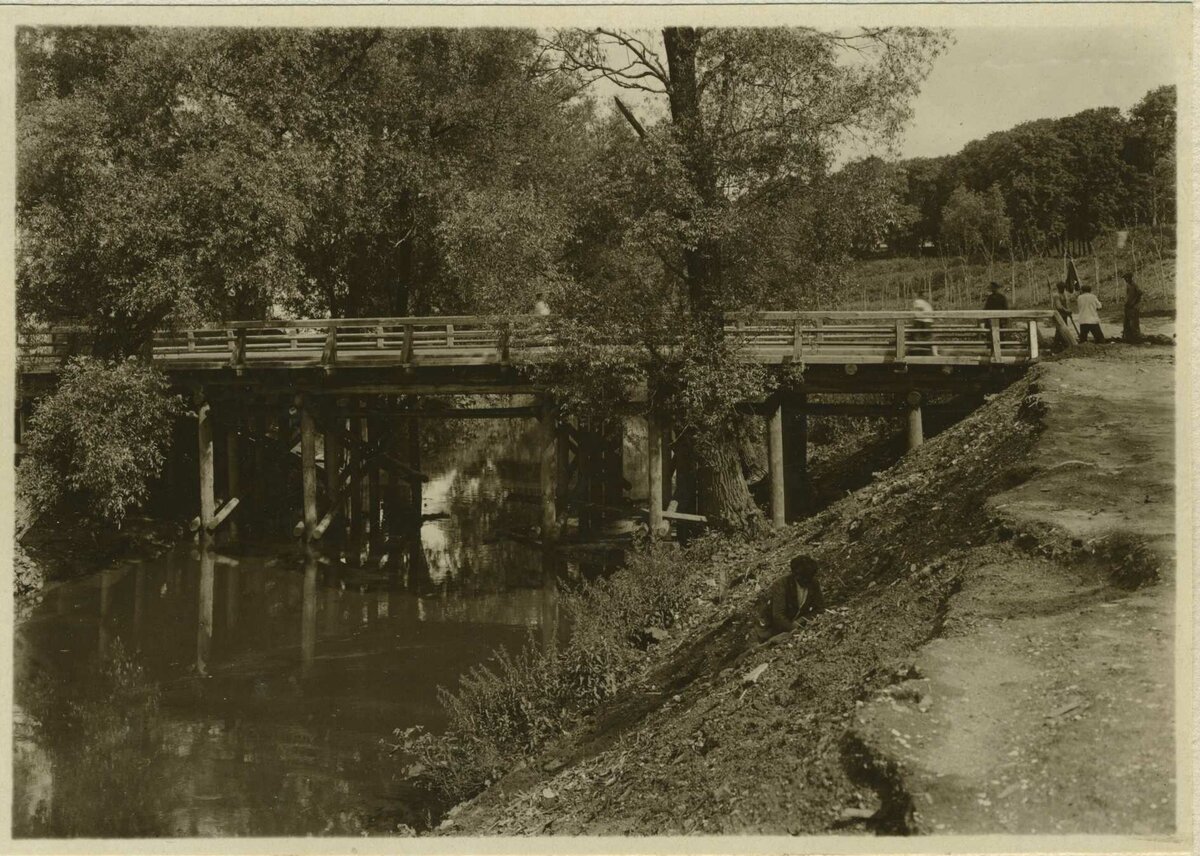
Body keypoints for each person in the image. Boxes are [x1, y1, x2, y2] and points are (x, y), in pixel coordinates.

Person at [1122, 271, 1142, 343]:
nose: (1125, 279)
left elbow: (1140, 293)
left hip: (1133, 307)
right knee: (1126, 323)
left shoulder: (1134, 285)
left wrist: (1133, 303)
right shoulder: (1128, 285)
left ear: (1130, 278)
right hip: (1128, 307)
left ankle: (1136, 339)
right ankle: (1128, 338)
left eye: (1126, 278)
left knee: (1134, 323)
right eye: (1125, 278)